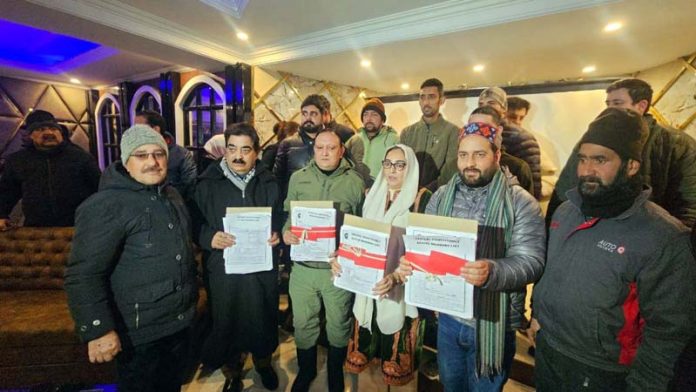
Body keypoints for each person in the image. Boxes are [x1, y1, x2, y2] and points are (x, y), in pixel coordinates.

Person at [531, 107, 696, 391]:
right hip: (549, 351)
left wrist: (645, 386)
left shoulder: (662, 237)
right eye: (583, 159)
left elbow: (668, 330)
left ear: (631, 166)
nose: (587, 171)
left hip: (601, 372)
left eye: (600, 160)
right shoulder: (567, 212)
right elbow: (549, 272)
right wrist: (537, 314)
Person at [396, 120, 545, 391]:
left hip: (492, 322)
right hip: (449, 319)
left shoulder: (520, 202)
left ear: (497, 156)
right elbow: (425, 247)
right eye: (464, 155)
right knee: (451, 385)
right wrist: (412, 262)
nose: (470, 163)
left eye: (480, 154)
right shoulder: (442, 196)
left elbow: (532, 262)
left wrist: (493, 271)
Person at [65, 124, 198, 392]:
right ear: (126, 162)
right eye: (142, 155)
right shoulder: (105, 205)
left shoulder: (170, 194)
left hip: (178, 323)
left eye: (158, 153)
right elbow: (83, 274)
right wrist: (98, 329)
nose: (152, 162)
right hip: (140, 334)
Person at [192, 123, 282, 392]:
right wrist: (209, 237)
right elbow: (193, 222)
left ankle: (263, 363)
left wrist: (277, 233)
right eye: (232, 149)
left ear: (256, 152)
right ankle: (232, 371)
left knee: (263, 316)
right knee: (226, 319)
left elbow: (280, 217)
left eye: (245, 149)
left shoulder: (270, 182)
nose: (238, 156)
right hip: (223, 266)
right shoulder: (205, 183)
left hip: (261, 266)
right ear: (225, 151)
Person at [330, 144, 430, 386]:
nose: (392, 170)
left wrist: (397, 275)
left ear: (411, 167)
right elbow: (357, 238)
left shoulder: (421, 200)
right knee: (368, 358)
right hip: (368, 284)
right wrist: (340, 257)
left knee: (393, 353)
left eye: (400, 165)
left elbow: (425, 251)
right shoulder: (371, 195)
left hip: (401, 288)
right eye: (388, 164)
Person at [548, 78, 696, 227]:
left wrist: (677, 242)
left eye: (617, 103)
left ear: (641, 105)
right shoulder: (594, 139)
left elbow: (690, 202)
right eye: (608, 104)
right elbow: (565, 188)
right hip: (594, 228)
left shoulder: (677, 143)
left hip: (650, 234)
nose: (610, 109)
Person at [282, 129, 365, 392]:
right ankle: (306, 371)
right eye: (320, 148)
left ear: (341, 150)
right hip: (303, 270)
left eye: (332, 148)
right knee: (303, 322)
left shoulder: (355, 182)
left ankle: (334, 373)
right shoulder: (298, 179)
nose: (325, 153)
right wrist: (286, 232)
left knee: (338, 323)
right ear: (313, 150)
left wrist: (350, 253)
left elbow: (361, 225)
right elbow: (289, 216)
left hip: (336, 270)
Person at [0, 112, 100, 229]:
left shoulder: (80, 157)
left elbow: (100, 189)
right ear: (30, 135)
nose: (49, 133)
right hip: (37, 229)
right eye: (40, 129)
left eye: (53, 128)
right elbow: (7, 192)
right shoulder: (17, 161)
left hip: (79, 227)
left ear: (60, 133)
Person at [437, 106, 535, 195]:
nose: (478, 133)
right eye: (473, 127)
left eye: (485, 129)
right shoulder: (451, 167)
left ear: (499, 131)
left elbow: (526, 208)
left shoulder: (518, 168)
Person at [478, 87, 541, 199]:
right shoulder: (474, 135)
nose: (485, 108)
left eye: (491, 103)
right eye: (481, 104)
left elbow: (532, 181)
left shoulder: (522, 138)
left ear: (503, 110)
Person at [399, 78, 459, 191]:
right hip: (407, 193)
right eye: (422, 97)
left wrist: (427, 191)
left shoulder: (452, 132)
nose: (426, 102)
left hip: (438, 195)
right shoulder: (407, 132)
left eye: (431, 97)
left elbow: (451, 170)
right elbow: (400, 165)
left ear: (442, 100)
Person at [134, 110, 197, 199]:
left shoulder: (181, 155)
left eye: (138, 128)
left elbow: (190, 185)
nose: (134, 132)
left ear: (155, 129)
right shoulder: (133, 154)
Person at [345, 98, 399, 181]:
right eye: (365, 114)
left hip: (381, 190)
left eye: (374, 115)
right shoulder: (355, 139)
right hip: (355, 189)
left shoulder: (394, 140)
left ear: (382, 119)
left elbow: (399, 170)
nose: (369, 119)